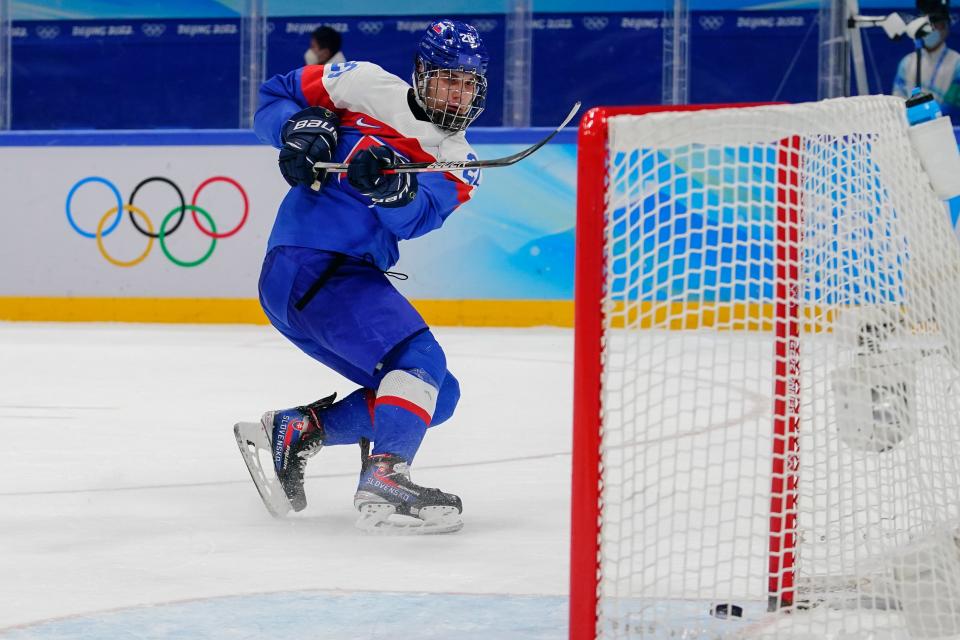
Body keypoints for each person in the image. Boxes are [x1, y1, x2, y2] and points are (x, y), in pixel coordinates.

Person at [237, 19, 488, 535]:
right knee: (419, 359)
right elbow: (271, 100)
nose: (458, 95)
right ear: (421, 74)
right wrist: (298, 127)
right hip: (309, 263)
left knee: (439, 394)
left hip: (333, 280)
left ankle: (299, 430)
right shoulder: (361, 82)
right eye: (448, 79)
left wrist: (396, 192)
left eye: (468, 84)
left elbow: (418, 218)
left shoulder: (459, 160)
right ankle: (385, 477)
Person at [892, 9, 960, 119]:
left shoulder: (957, 63)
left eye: (937, 26)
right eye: (927, 26)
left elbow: (953, 104)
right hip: (910, 127)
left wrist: (930, 115)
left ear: (946, 29)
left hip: (946, 128)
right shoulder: (907, 62)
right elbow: (897, 99)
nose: (931, 31)